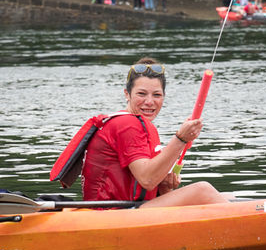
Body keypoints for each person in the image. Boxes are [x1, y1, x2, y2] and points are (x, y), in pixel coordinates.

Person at [81, 58, 230, 207]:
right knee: (203, 190)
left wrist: (164, 185)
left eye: (157, 95)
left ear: (164, 96)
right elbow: (147, 179)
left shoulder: (140, 124)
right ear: (127, 94)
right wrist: (181, 139)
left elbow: (150, 185)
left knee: (228, 196)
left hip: (130, 210)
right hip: (111, 215)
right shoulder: (126, 124)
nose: (149, 102)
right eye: (142, 94)